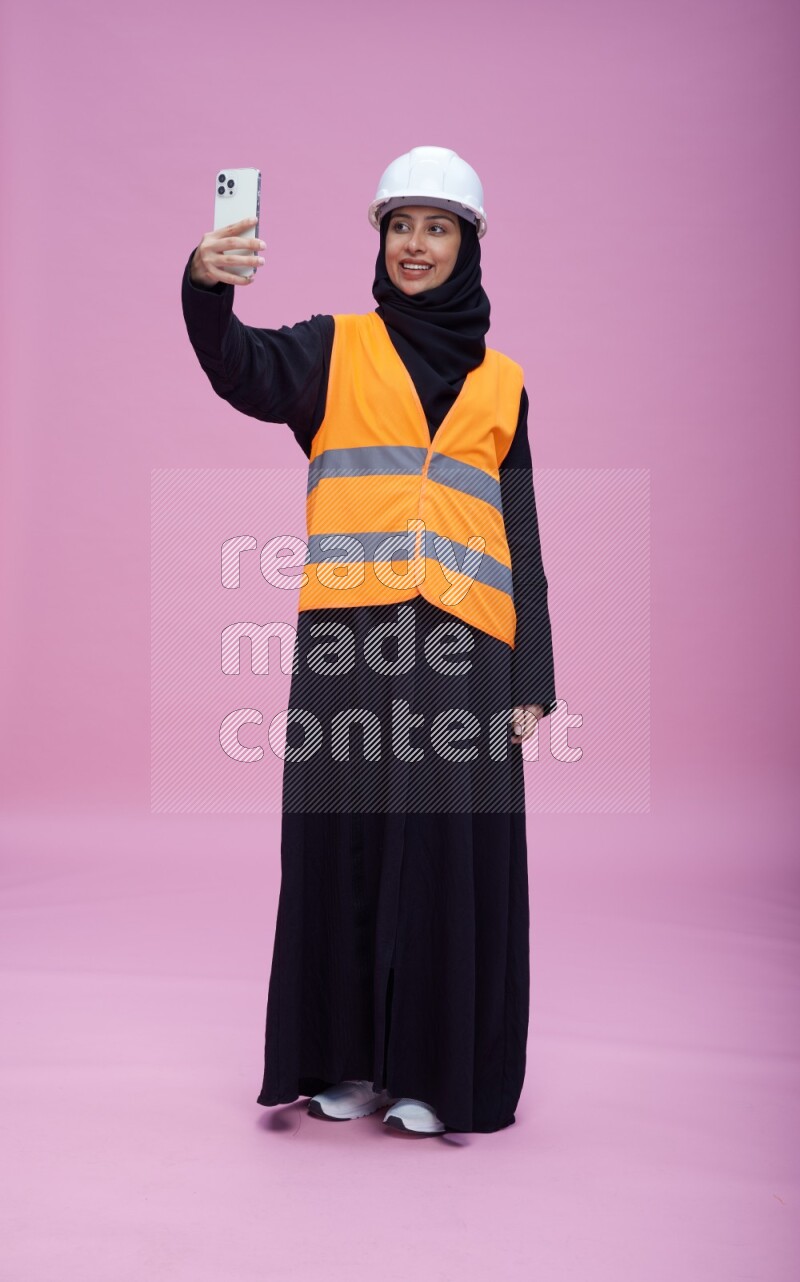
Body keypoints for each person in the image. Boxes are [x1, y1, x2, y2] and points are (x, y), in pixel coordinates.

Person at [181, 146, 557, 1136]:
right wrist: (204, 290)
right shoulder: (331, 348)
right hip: (349, 645)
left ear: (468, 243)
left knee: (444, 856)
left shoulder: (505, 384)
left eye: (436, 227)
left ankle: (433, 1074)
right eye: (400, 226)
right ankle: (340, 1060)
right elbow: (237, 367)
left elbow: (518, 533)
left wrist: (534, 674)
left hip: (469, 650)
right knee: (339, 844)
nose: (414, 245)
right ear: (379, 239)